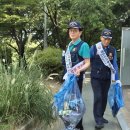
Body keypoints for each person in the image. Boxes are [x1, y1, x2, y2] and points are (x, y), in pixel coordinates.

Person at [62, 21, 90, 130]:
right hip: (67, 79)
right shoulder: (68, 46)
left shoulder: (83, 45)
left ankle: (78, 126)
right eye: (70, 30)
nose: (72, 32)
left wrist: (79, 70)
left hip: (76, 80)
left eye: (75, 30)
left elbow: (87, 62)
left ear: (80, 32)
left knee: (76, 103)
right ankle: (69, 125)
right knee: (67, 103)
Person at [90, 29, 120, 129]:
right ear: (101, 38)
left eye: (109, 39)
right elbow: (87, 61)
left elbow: (114, 64)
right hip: (96, 78)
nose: (106, 41)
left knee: (104, 98)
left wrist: (117, 79)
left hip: (106, 78)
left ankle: (101, 116)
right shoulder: (94, 48)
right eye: (105, 38)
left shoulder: (112, 50)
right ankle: (98, 119)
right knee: (98, 97)